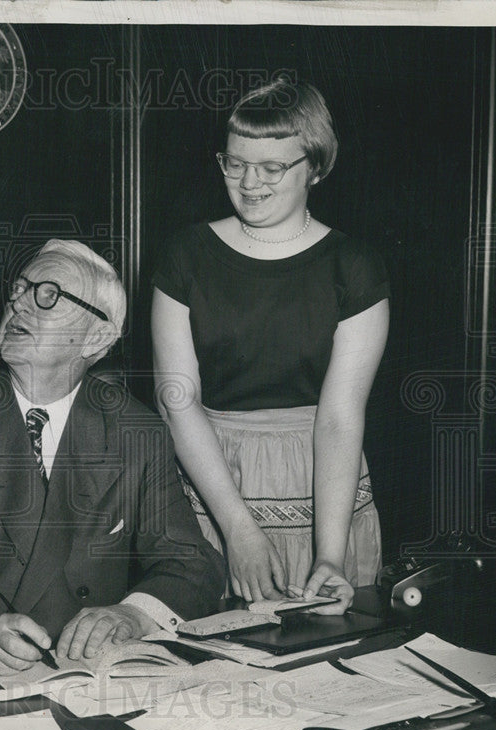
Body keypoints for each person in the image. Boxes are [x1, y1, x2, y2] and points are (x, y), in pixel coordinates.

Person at [0, 239, 225, 676]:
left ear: (97, 336)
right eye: (19, 288)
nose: (19, 304)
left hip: (84, 672)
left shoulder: (138, 431)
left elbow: (192, 562)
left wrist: (129, 616)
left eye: (48, 295)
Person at [151, 75, 389, 614]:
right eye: (234, 162)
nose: (248, 182)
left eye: (272, 167)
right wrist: (236, 528)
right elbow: (177, 402)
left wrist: (330, 555)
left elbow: (339, 416)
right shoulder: (185, 255)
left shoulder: (354, 267)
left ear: (317, 167)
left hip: (321, 486)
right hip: (212, 479)